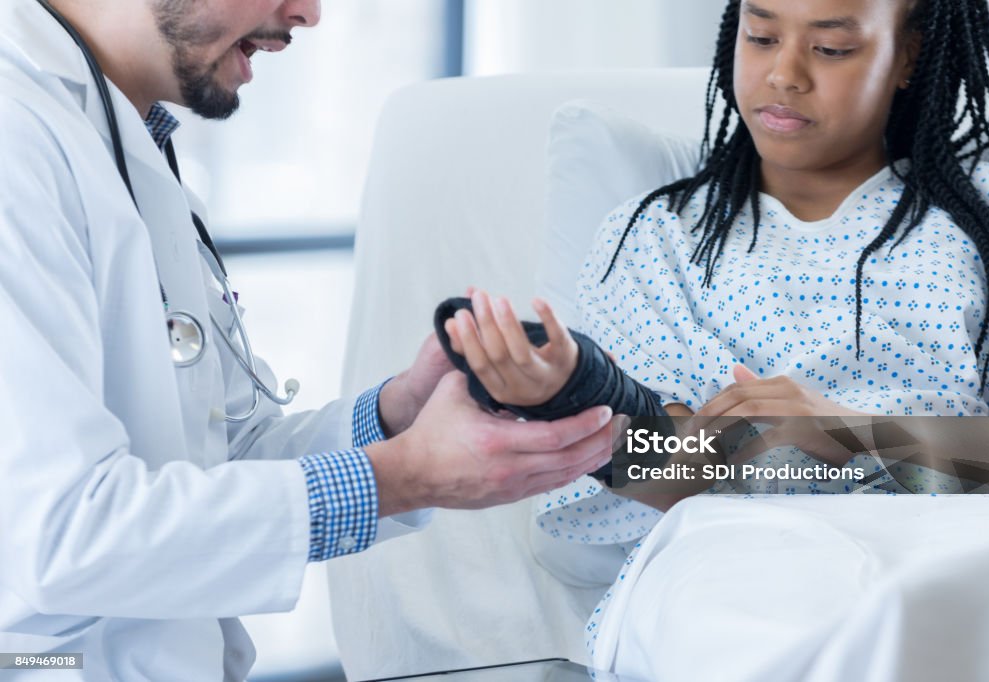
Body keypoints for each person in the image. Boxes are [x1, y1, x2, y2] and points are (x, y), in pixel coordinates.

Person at [0, 0, 616, 679]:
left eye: (764, 32)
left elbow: (216, 458)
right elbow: (62, 536)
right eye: (756, 36)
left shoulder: (128, 143)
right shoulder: (17, 136)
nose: (309, 13)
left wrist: (396, 419)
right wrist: (408, 475)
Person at [444, 0, 989, 665]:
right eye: (761, 36)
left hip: (962, 552)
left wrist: (854, 434)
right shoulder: (658, 238)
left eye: (831, 49)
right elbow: (661, 477)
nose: (784, 73)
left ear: (910, 56)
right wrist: (564, 402)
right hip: (738, 561)